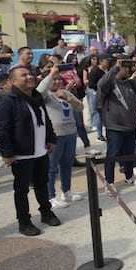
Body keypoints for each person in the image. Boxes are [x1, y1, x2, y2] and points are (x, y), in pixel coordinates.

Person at [0, 65, 61, 236]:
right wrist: (7, 153)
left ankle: (46, 212)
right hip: (21, 154)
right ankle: (24, 221)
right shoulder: (8, 102)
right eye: (23, 75)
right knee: (22, 189)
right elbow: (2, 130)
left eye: (30, 74)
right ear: (13, 81)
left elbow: (46, 120)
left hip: (41, 151)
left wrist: (51, 139)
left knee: (42, 184)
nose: (29, 77)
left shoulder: (37, 97)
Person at [97, 55, 136, 190]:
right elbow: (101, 84)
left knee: (129, 153)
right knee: (112, 155)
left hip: (130, 125)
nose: (128, 70)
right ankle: (109, 182)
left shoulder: (130, 83)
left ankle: (129, 177)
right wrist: (116, 67)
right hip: (115, 126)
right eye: (124, 67)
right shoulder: (110, 84)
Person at [37, 66, 84, 208]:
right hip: (55, 135)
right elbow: (39, 91)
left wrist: (68, 98)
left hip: (70, 133)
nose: (57, 82)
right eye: (54, 79)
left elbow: (80, 107)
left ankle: (66, 191)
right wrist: (50, 75)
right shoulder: (45, 95)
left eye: (59, 79)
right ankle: (50, 196)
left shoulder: (64, 92)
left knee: (66, 164)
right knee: (51, 167)